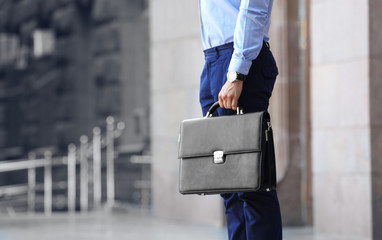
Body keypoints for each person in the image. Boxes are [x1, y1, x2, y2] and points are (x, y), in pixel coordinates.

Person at [198, 0, 282, 239]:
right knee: (229, 185)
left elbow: (253, 8)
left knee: (252, 183)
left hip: (239, 60)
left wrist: (237, 73)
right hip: (213, 60)